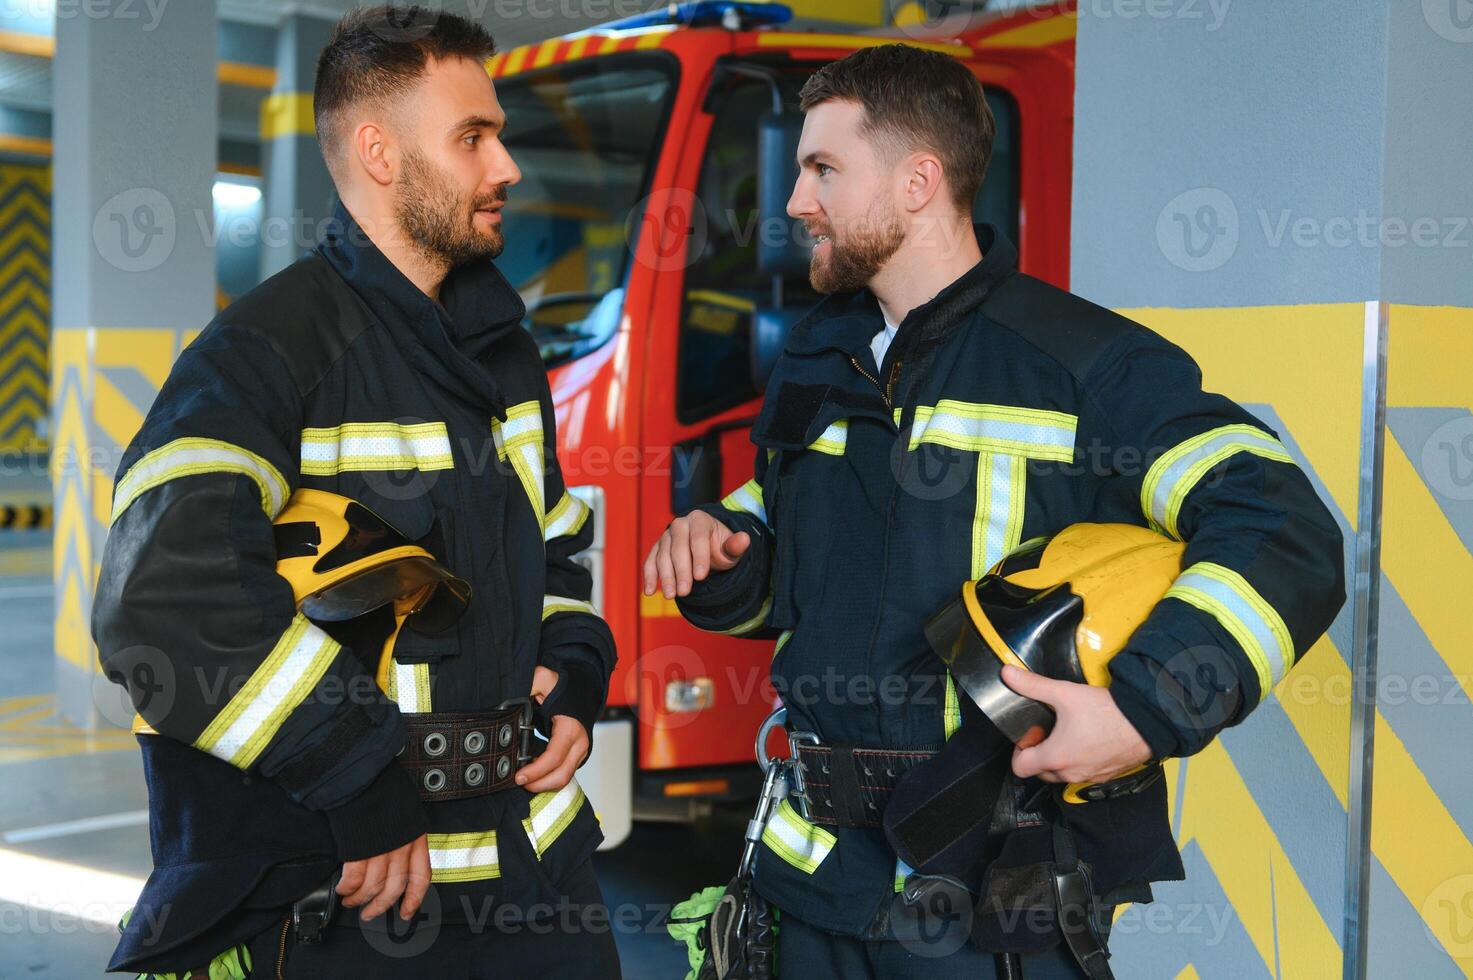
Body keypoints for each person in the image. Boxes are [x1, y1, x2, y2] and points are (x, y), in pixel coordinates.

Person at [644, 43, 1344, 978]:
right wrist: (721, 561)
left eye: (822, 170)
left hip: (988, 893)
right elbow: (791, 563)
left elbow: (1280, 524)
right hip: (807, 888)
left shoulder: (1084, 364)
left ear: (916, 182)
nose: (796, 202)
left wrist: (1143, 710)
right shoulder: (821, 360)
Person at [92, 6, 619, 977]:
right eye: (474, 136)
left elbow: (554, 549)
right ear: (379, 152)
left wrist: (576, 668)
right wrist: (359, 776)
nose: (505, 167)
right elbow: (163, 595)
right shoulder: (267, 350)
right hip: (356, 893)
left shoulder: (502, 358)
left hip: (537, 876)